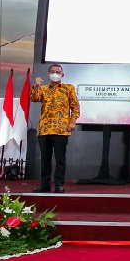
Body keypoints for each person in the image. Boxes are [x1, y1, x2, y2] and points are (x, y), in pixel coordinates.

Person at [30, 64, 80, 193]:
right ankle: (44, 185)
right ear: (48, 74)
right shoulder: (43, 89)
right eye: (53, 72)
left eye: (58, 72)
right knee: (45, 159)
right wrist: (36, 85)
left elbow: (75, 107)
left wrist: (72, 122)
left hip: (61, 129)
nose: (55, 74)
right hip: (45, 129)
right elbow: (33, 98)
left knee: (60, 159)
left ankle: (59, 185)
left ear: (62, 75)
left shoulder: (68, 88)